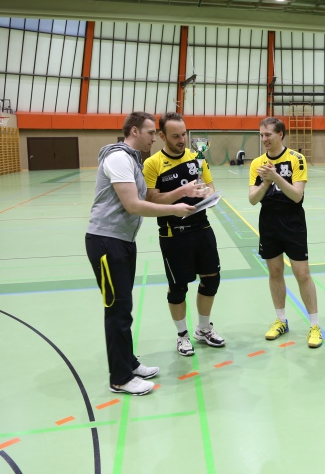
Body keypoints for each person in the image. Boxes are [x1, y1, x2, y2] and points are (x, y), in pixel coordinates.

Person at [85, 112, 196, 396]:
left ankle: (129, 363)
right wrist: (174, 209)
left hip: (122, 240)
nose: (153, 138)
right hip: (107, 242)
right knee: (117, 310)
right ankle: (120, 378)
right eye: (150, 132)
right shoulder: (119, 159)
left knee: (124, 307)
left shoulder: (132, 160)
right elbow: (133, 205)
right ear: (134, 131)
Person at [143, 112, 225, 358]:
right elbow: (151, 199)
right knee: (178, 288)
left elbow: (209, 185)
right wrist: (182, 193)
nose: (182, 140)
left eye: (184, 134)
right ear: (162, 136)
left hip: (202, 228)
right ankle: (182, 335)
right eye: (176, 136)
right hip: (173, 234)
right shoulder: (153, 164)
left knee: (212, 279)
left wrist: (206, 195)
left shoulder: (197, 158)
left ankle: (203, 328)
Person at [249, 117, 322, 348]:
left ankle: (314, 325)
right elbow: (252, 199)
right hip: (268, 223)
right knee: (275, 272)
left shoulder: (296, 159)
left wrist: (275, 177)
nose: (264, 139)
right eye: (261, 135)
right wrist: (265, 182)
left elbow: (297, 195)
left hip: (293, 222)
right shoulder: (257, 163)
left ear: (280, 134)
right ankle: (281, 320)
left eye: (268, 134)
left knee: (302, 273)